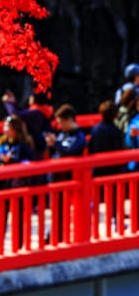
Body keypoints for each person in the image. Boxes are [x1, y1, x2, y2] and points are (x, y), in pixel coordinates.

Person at [0, 115, 34, 249]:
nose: (5, 129)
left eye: (8, 127)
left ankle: (18, 244)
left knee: (18, 215)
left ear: (16, 129)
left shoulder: (24, 145)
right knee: (2, 214)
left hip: (18, 184)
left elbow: (29, 162)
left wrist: (12, 161)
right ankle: (1, 243)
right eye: (4, 126)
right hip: (2, 183)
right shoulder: (1, 143)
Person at [44, 104, 86, 243]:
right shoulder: (62, 134)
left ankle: (62, 235)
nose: (60, 126)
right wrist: (52, 145)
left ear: (69, 120)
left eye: (61, 122)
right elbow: (57, 152)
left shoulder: (79, 136)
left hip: (69, 177)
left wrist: (55, 144)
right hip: (56, 175)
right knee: (55, 207)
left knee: (64, 208)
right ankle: (54, 233)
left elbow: (71, 151)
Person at [88, 100, 124, 229]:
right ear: (115, 115)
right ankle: (116, 222)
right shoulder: (116, 131)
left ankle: (94, 223)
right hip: (113, 168)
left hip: (97, 167)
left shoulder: (95, 129)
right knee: (113, 197)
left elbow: (91, 148)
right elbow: (119, 150)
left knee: (96, 196)